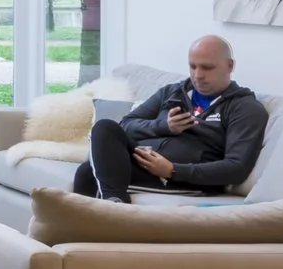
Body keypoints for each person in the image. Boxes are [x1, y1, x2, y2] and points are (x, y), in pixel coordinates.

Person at [72, 34, 266, 202]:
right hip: (142, 160)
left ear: (229, 65)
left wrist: (172, 170)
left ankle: (114, 205)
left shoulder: (245, 108)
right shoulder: (173, 92)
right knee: (105, 128)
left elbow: (236, 167)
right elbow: (126, 124)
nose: (198, 75)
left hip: (181, 178)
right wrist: (164, 126)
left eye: (207, 68)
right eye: (193, 66)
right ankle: (114, 204)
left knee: (87, 175)